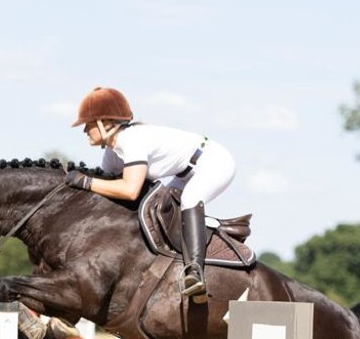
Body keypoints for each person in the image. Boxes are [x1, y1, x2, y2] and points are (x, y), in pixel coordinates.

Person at [66, 86, 236, 303]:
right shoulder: (112, 152)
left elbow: (129, 190)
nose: (84, 131)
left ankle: (195, 272)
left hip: (214, 162)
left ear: (105, 123)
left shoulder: (132, 139)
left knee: (190, 200)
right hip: (186, 172)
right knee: (162, 207)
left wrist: (86, 182)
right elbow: (109, 188)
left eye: (88, 124)